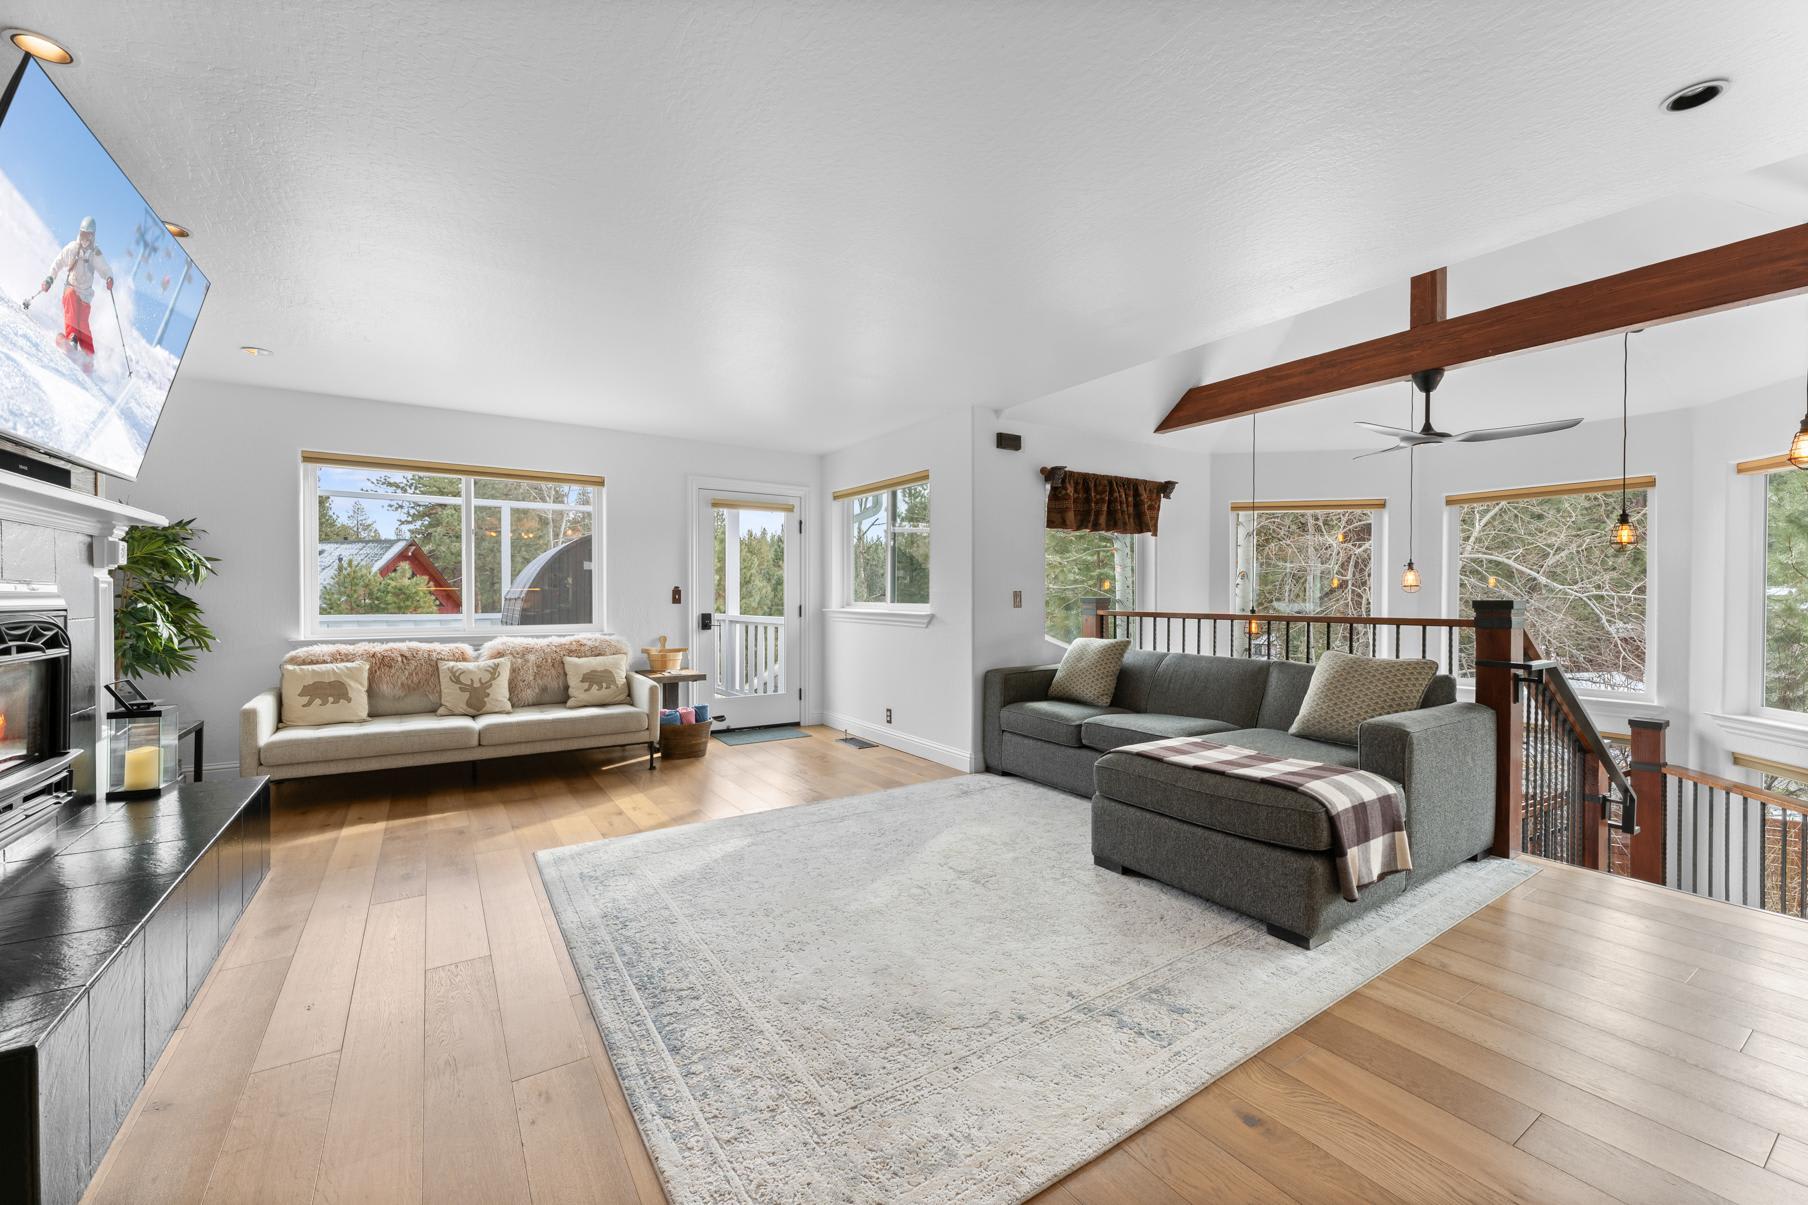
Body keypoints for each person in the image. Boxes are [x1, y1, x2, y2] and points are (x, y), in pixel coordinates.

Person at [28, 216, 113, 375]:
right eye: (82, 234)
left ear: (93, 236)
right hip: (71, 288)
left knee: (83, 325)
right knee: (70, 303)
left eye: (87, 235)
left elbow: (105, 269)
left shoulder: (95, 253)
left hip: (86, 296)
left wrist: (109, 278)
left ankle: (88, 357)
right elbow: (58, 262)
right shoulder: (73, 248)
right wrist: (49, 279)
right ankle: (71, 338)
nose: (84, 238)